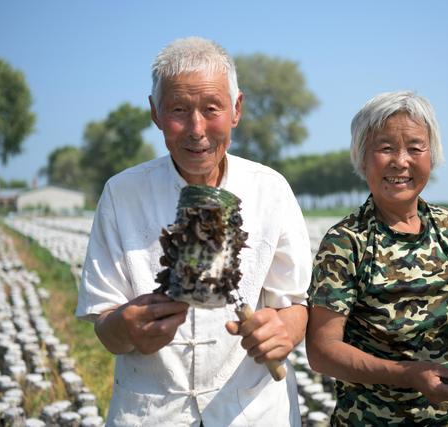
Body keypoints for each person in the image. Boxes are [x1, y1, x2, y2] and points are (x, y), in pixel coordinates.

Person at [76, 37, 311, 426]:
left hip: (252, 411)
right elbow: (105, 325)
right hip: (151, 412)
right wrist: (127, 328)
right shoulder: (122, 194)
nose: (196, 129)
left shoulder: (270, 189)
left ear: (236, 109)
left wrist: (284, 329)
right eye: (179, 110)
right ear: (154, 112)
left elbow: (297, 303)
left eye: (211, 108)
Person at [306, 91, 448, 426]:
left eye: (415, 147)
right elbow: (322, 351)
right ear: (362, 158)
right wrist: (409, 375)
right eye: (386, 148)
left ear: (432, 156)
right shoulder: (346, 242)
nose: (401, 161)